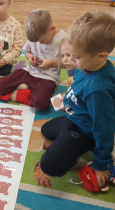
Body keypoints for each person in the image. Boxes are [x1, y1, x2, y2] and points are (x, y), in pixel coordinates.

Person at [40, 10, 115, 189]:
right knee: (47, 130)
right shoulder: (90, 65)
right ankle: (72, 146)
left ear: (101, 56)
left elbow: (104, 128)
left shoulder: (99, 89)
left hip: (86, 130)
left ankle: (89, 156)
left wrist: (100, 163)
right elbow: (80, 88)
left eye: (77, 57)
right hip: (75, 117)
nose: (71, 60)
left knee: (48, 165)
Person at [0, 9, 66, 111]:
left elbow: (68, 64)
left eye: (42, 40)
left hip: (48, 78)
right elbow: (27, 53)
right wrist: (30, 57)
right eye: (36, 41)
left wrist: (52, 63)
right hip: (29, 71)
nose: (40, 43)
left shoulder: (63, 39)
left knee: (41, 105)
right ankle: (28, 92)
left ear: (52, 28)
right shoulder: (36, 34)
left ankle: (21, 93)